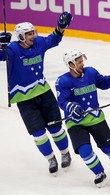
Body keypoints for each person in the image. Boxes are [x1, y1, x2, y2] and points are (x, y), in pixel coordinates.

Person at [0, 12, 73, 175]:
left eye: (33, 32)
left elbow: (53, 39)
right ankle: (51, 158)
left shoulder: (39, 43)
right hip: (24, 99)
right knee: (38, 133)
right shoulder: (11, 49)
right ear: (20, 36)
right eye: (29, 34)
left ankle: (65, 153)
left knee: (55, 128)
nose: (33, 36)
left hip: (44, 92)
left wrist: (61, 27)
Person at [55, 49, 110, 187]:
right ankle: (99, 173)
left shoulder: (91, 72)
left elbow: (104, 82)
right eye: (79, 62)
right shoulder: (62, 81)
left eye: (82, 61)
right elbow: (62, 101)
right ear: (70, 64)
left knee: (109, 148)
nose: (82, 63)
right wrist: (71, 107)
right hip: (75, 122)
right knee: (85, 151)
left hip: (96, 118)